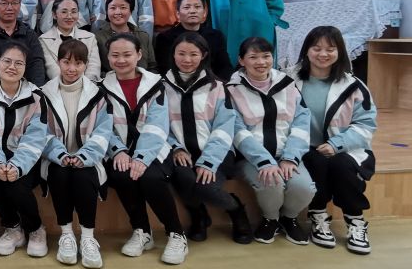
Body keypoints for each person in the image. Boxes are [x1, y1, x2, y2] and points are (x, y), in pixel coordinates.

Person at [100, 34, 187, 265]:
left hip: (154, 147)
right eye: (115, 55)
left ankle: (176, 233)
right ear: (108, 57)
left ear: (139, 54)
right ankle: (142, 231)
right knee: (121, 175)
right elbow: (102, 126)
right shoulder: (101, 88)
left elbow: (158, 125)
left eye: (127, 54)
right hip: (120, 149)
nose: (121, 60)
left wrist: (141, 157)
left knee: (151, 177)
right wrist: (118, 151)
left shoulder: (157, 85)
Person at [161, 33, 252, 244]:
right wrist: (176, 147)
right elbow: (160, 125)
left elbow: (224, 128)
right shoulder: (162, 86)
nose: (187, 59)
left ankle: (235, 209)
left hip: (216, 152)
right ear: (173, 55)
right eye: (181, 53)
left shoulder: (217, 87)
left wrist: (209, 161)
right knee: (182, 177)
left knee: (205, 186)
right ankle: (198, 215)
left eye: (193, 54)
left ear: (203, 55)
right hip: (182, 151)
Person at [226, 36, 315, 245]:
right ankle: (271, 219)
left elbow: (302, 122)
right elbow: (237, 130)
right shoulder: (231, 89)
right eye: (253, 57)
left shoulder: (288, 85)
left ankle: (289, 218)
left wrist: (290, 158)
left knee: (304, 187)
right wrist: (264, 161)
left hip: (286, 154)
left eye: (266, 56)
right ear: (241, 60)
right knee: (271, 182)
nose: (261, 62)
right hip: (250, 157)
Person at [296, 26, 377, 254]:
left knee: (342, 166)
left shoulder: (354, 86)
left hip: (346, 148)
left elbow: (366, 125)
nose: (323, 54)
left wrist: (336, 144)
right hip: (305, 148)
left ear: (339, 52)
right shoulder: (289, 81)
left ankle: (355, 220)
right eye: (316, 48)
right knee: (315, 162)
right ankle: (318, 216)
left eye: (330, 49)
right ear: (306, 50)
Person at [39, 40, 113, 268]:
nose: (72, 68)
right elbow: (40, 132)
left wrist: (84, 156)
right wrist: (60, 155)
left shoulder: (98, 94)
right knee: (60, 174)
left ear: (86, 65)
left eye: (78, 63)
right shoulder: (43, 94)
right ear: (58, 62)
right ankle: (67, 235)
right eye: (66, 62)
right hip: (55, 157)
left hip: (88, 157)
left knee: (83, 176)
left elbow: (103, 131)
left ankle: (88, 238)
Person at [0, 42, 50, 258]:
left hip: (29, 158)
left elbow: (35, 138)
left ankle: (35, 228)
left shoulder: (37, 98)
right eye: (7, 61)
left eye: (19, 63)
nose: (12, 67)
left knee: (16, 182)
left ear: (25, 67)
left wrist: (17, 165)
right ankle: (13, 227)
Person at [154, 0, 234, 80]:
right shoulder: (165, 38)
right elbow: (165, 68)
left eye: (197, 7)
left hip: (212, 83)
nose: (192, 11)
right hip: (177, 83)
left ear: (204, 13)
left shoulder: (215, 36)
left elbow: (224, 67)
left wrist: (218, 85)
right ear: (178, 14)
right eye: (187, 7)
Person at [39, 0, 100, 80]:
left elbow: (94, 67)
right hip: (59, 85)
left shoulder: (90, 37)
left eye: (74, 12)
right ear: (54, 15)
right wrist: (68, 85)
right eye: (64, 12)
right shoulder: (44, 40)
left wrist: (86, 85)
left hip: (88, 85)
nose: (69, 16)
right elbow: (52, 70)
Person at [94, 0, 156, 74]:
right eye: (113, 8)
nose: (117, 12)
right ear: (107, 11)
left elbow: (152, 66)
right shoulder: (97, 37)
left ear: (131, 11)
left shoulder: (143, 36)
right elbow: (96, 69)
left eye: (123, 7)